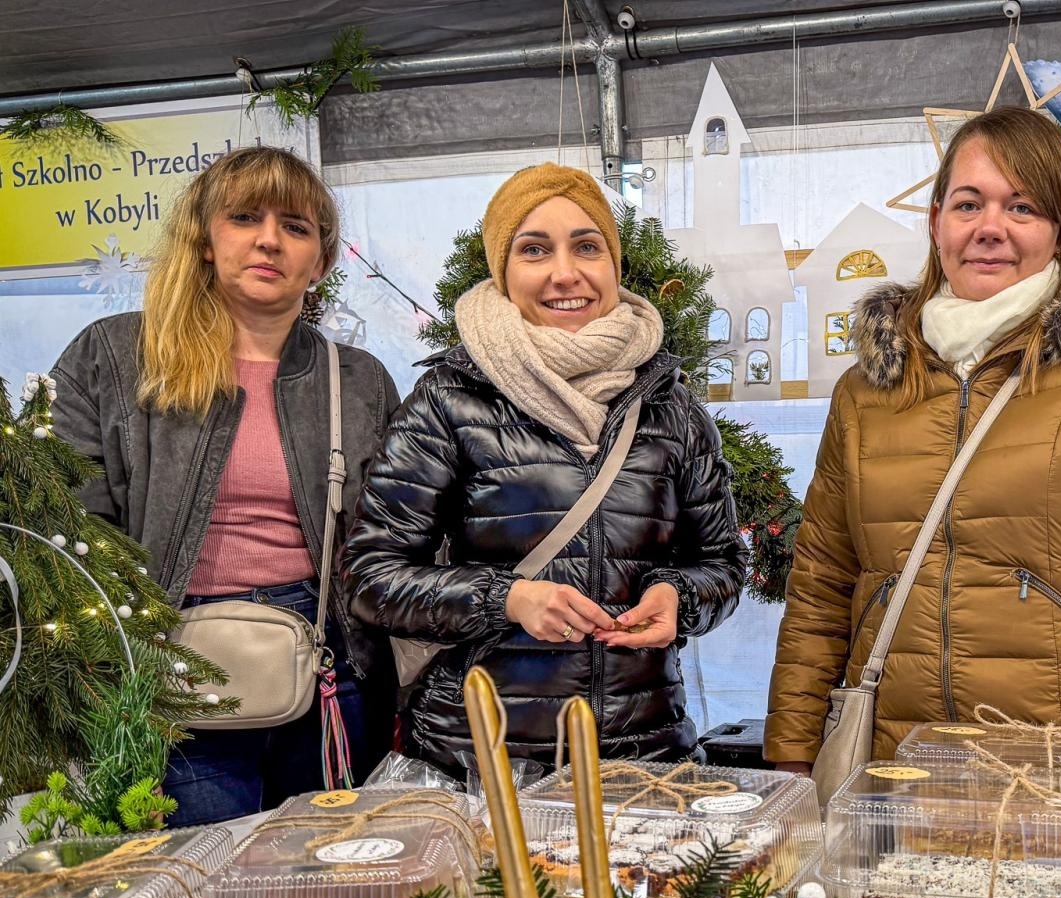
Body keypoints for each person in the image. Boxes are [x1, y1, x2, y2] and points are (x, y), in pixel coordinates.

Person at [765, 106, 1061, 773]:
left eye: (1022, 208)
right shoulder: (868, 389)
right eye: (968, 204)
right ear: (936, 223)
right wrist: (793, 755)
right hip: (894, 775)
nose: (989, 229)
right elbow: (821, 590)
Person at [342, 164, 745, 771]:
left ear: (613, 263)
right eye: (535, 250)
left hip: (643, 757)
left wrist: (678, 595)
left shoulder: (672, 408)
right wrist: (507, 599)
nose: (566, 273)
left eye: (588, 247)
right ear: (503, 270)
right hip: (479, 763)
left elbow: (722, 563)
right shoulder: (449, 400)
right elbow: (371, 577)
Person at [50, 146, 402, 826]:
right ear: (207, 239)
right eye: (245, 217)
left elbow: (399, 537)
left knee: (325, 882)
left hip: (332, 667)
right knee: (204, 892)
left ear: (321, 260)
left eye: (296, 227)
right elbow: (72, 534)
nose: (270, 239)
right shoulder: (116, 358)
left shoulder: (358, 380)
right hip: (176, 664)